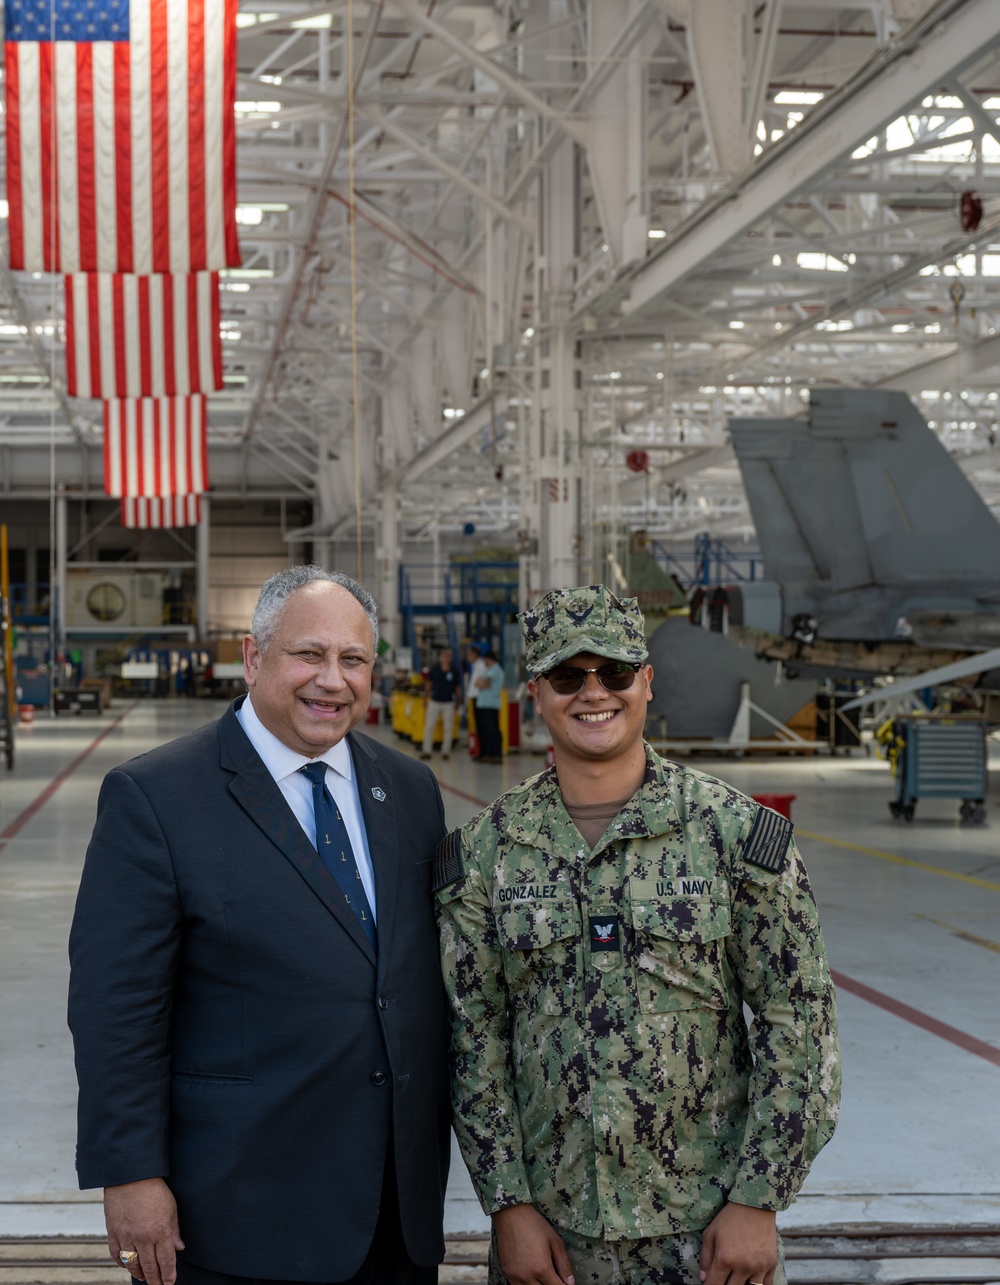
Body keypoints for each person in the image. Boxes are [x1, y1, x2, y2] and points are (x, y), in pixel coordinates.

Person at [434, 585, 840, 1285]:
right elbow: (475, 1042)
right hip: (553, 1239)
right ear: (537, 692)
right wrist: (508, 1207)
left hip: (711, 1232)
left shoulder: (735, 835)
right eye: (568, 676)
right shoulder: (485, 853)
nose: (594, 693)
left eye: (615, 671)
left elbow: (798, 1023)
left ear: (646, 682)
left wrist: (759, 1198)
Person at [69, 566, 451, 1285]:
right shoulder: (155, 798)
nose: (331, 680)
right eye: (309, 654)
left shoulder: (409, 790)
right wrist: (130, 1173)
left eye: (354, 660)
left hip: (394, 1213)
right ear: (253, 657)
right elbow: (115, 1009)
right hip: (238, 1214)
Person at [420, 647, 463, 761]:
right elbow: (429, 683)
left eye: (448, 656)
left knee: (448, 728)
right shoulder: (435, 669)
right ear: (441, 658)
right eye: (444, 656)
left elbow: (457, 688)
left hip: (448, 703)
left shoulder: (454, 671)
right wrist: (425, 697)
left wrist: (459, 701)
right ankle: (427, 750)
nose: (446, 658)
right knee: (429, 726)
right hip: (435, 701)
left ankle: (445, 751)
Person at [473, 651, 504, 764]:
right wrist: (480, 682)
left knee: (492, 730)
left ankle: (495, 754)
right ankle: (485, 753)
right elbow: (477, 683)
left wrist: (480, 682)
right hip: (482, 704)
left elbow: (484, 684)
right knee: (484, 730)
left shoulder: (496, 670)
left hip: (490, 705)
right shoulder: (488, 670)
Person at [465, 645, 486, 758]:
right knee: (478, 726)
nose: (468, 657)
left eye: (469, 654)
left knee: (481, 726)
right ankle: (481, 750)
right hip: (474, 698)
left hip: (478, 698)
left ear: (474, 655)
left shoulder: (481, 666)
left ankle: (483, 751)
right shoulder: (476, 666)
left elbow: (482, 683)